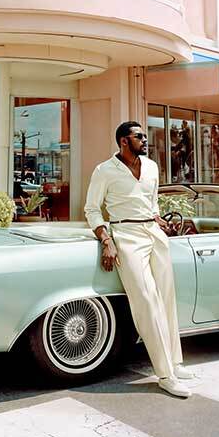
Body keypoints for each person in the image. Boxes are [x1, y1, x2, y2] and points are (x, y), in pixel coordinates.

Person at [84, 121, 193, 398]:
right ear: (123, 141)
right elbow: (92, 209)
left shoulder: (152, 167)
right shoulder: (104, 170)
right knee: (146, 300)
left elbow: (152, 202)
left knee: (166, 297)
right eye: (138, 136)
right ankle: (165, 374)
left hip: (153, 233)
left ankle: (175, 362)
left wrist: (159, 221)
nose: (145, 140)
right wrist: (106, 239)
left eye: (144, 136)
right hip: (125, 234)